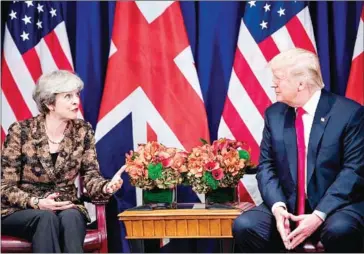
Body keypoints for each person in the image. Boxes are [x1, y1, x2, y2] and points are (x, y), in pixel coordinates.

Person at [232, 48, 364, 252]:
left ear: (301, 83)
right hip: (288, 206)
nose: (273, 84)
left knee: (341, 229)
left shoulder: (349, 114)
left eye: (278, 78)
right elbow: (266, 167)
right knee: (246, 226)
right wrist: (278, 208)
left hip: (335, 208)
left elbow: (353, 172)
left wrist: (319, 214)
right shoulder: (274, 114)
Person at [1, 70, 125, 253]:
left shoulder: (83, 130)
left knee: (71, 217)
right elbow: (5, 186)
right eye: (68, 96)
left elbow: (90, 175)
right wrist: (37, 202)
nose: (76, 101)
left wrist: (106, 187)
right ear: (50, 103)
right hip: (21, 209)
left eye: (76, 95)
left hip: (66, 205)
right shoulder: (21, 131)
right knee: (46, 218)